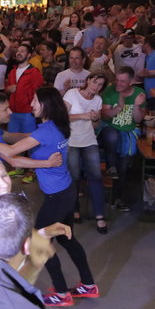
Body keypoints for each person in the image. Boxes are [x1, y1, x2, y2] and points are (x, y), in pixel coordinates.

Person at [0, 87, 100, 307]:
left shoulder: (46, 131)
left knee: (39, 242)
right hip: (66, 191)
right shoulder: (56, 126)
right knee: (67, 238)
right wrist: (6, 138)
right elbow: (25, 143)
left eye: (35, 100)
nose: (31, 104)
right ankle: (89, 285)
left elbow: (12, 154)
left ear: (46, 105)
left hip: (57, 197)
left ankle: (61, 293)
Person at [63, 72, 108, 234]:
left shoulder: (98, 100)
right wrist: (83, 115)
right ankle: (74, 209)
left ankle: (99, 215)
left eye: (100, 84)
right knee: (74, 177)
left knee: (96, 176)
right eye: (95, 82)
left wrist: (95, 118)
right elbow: (62, 117)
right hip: (71, 140)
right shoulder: (72, 94)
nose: (96, 86)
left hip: (89, 139)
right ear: (88, 80)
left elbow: (95, 126)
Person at [99, 66, 146, 211]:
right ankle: (111, 166)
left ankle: (117, 198)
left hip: (127, 132)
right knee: (112, 136)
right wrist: (119, 107)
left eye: (122, 81)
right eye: (117, 80)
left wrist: (136, 106)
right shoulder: (109, 90)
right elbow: (104, 115)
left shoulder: (139, 93)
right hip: (108, 130)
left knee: (123, 166)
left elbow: (138, 119)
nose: (118, 84)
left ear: (131, 82)